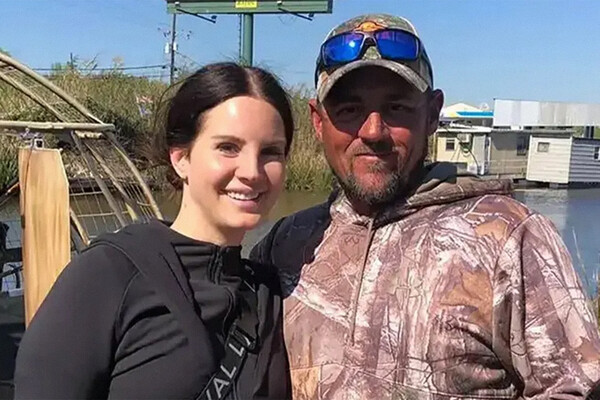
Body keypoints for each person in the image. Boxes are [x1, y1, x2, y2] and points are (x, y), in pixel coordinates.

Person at [251, 14, 600, 399]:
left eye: (396, 108)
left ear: (432, 114)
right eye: (349, 110)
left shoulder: (509, 237)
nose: (373, 131)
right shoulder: (287, 244)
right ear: (318, 122)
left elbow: (578, 389)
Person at [15, 62, 293, 399]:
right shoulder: (109, 274)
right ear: (181, 158)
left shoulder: (269, 295)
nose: (252, 171)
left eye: (270, 152)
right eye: (228, 147)